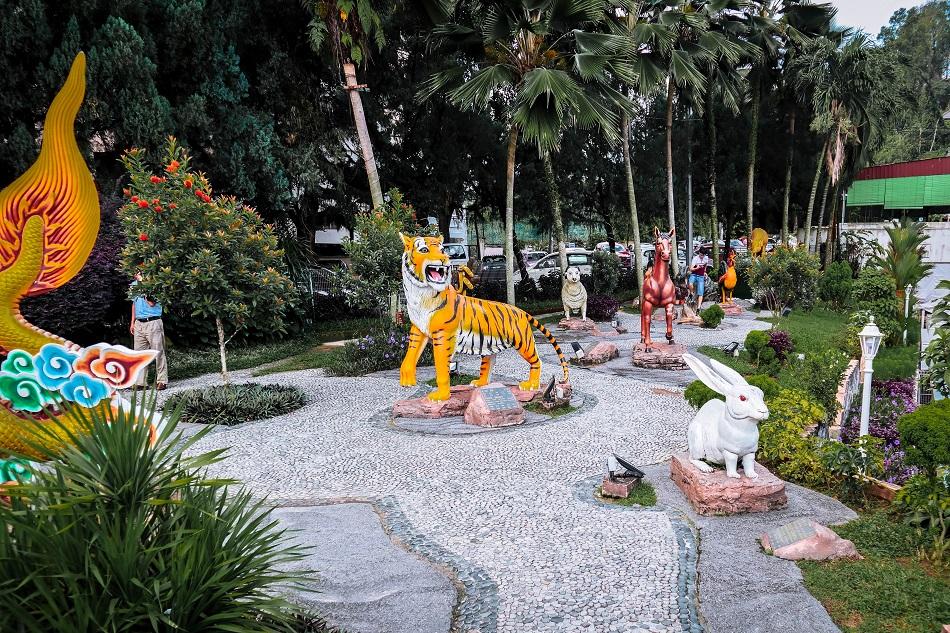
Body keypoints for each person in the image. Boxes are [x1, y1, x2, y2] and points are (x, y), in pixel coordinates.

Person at [130, 273, 168, 390]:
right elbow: (134, 303)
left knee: (158, 352)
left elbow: (151, 303)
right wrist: (132, 322)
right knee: (139, 354)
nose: (136, 273)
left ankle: (162, 380)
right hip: (139, 323)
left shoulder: (155, 283)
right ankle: (141, 383)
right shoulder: (133, 285)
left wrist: (142, 284)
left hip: (153, 322)